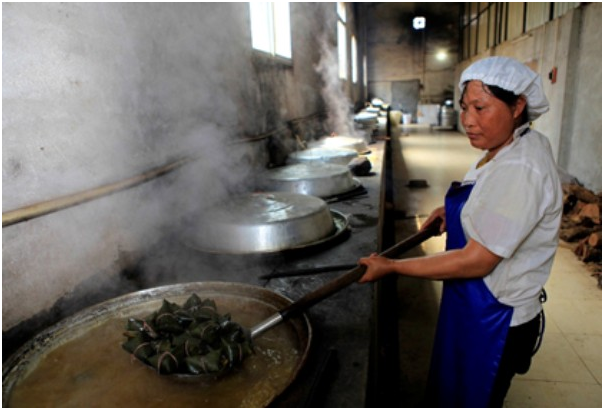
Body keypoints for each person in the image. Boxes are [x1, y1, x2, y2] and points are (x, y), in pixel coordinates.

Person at [358, 56, 563, 407]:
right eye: (465, 107)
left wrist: (392, 267)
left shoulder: (522, 169)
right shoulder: (507, 145)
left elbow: (476, 261)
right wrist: (456, 214)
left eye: (481, 108)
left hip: (495, 320)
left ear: (518, 105)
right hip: (474, 307)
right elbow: (485, 196)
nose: (468, 121)